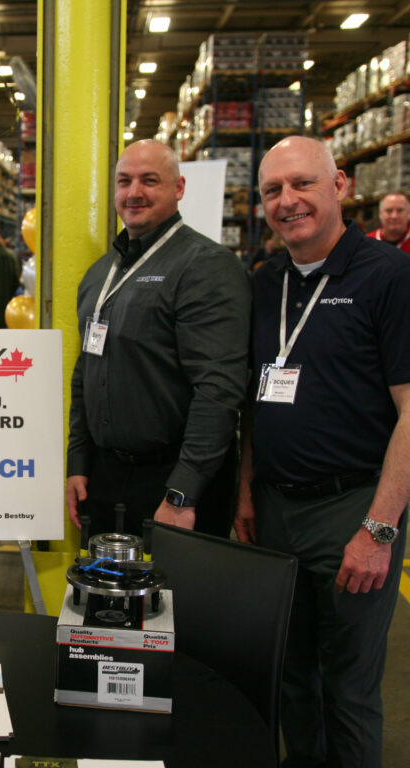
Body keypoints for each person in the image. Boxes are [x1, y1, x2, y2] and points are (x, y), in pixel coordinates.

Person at [235, 136, 410, 768]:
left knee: (349, 689)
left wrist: (379, 529)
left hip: (352, 509)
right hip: (277, 510)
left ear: (339, 185)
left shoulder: (389, 275)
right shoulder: (265, 281)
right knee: (291, 676)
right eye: (273, 190)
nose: (288, 201)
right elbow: (256, 398)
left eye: (302, 184)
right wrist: (247, 491)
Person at [66, 139, 250, 538]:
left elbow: (218, 389)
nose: (134, 192)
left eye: (149, 180)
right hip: (106, 478)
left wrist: (183, 491)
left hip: (174, 483)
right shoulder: (100, 274)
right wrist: (78, 460)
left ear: (178, 188)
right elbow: (86, 370)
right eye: (124, 181)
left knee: (177, 583)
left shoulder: (206, 267)